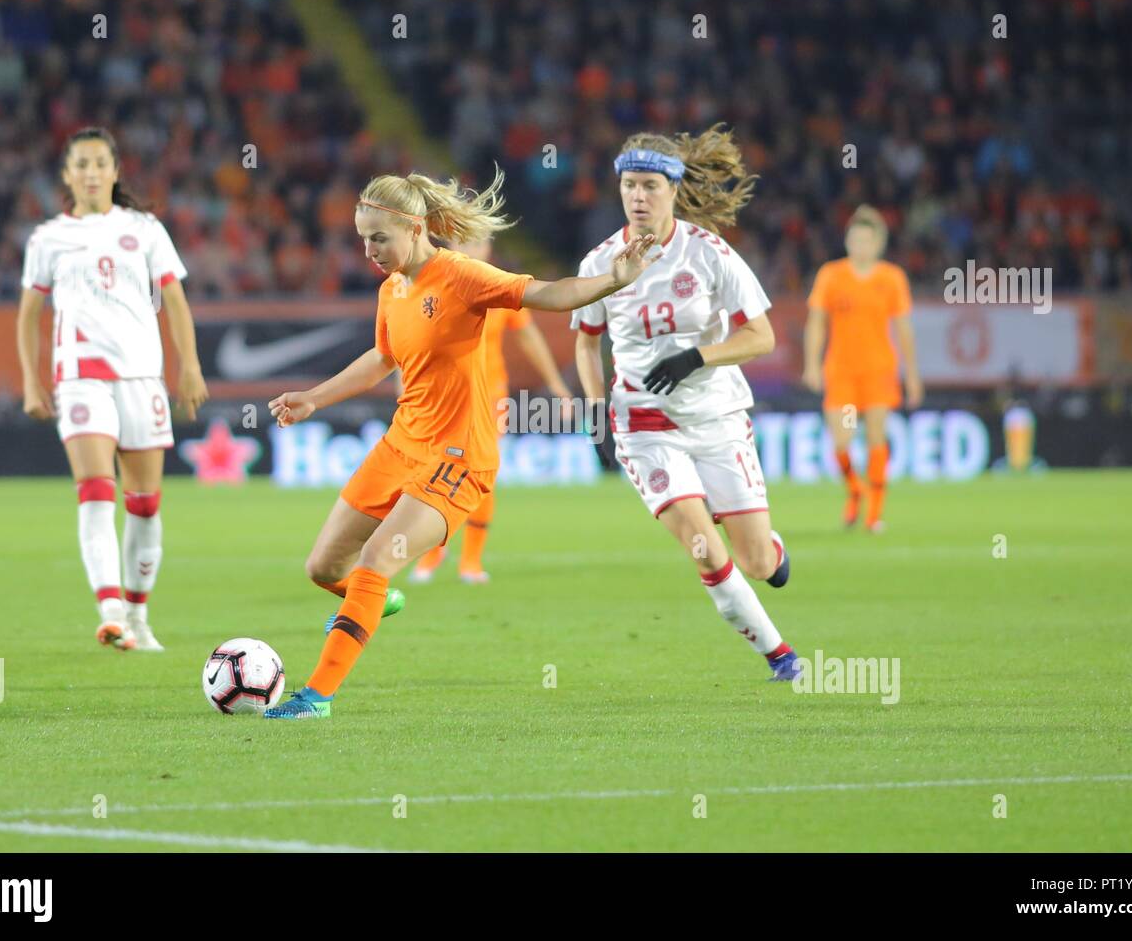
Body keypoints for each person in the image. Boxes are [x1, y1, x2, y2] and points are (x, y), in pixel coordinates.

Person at [264, 168, 657, 719]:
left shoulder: (462, 275)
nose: (371, 250)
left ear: (415, 226)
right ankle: (374, 601)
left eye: (379, 237)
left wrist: (615, 278)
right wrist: (313, 398)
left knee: (376, 559)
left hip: (458, 457)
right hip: (401, 444)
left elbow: (548, 293)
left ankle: (317, 697)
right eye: (363, 239)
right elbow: (382, 359)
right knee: (324, 569)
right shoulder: (391, 289)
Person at [571, 125, 800, 682]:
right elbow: (586, 339)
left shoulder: (710, 253)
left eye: (650, 185)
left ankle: (767, 549)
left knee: (756, 563)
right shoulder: (600, 262)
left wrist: (698, 357)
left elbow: (762, 336)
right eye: (629, 185)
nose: (638, 197)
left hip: (717, 418)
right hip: (645, 426)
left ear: (673, 188)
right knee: (703, 548)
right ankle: (782, 657)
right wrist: (595, 412)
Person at [16, 127, 208, 651]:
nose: (92, 172)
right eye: (81, 164)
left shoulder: (145, 229)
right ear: (67, 175)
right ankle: (110, 610)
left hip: (142, 376)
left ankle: (139, 617)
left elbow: (174, 301)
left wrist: (189, 364)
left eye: (101, 162)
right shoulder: (48, 237)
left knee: (144, 503)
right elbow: (29, 315)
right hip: (79, 378)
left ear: (116, 170)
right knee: (96, 492)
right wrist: (33, 381)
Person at [410, 236, 575, 584]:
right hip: (440, 396)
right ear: (451, 244)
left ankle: (470, 559)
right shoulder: (433, 287)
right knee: (429, 473)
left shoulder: (501, 288)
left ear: (488, 248)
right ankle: (433, 550)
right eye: (464, 241)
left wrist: (557, 385)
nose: (472, 249)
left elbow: (529, 337)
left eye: (479, 242)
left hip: (488, 397)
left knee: (478, 475)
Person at [802, 205, 923, 532]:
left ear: (878, 243)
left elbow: (904, 330)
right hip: (841, 372)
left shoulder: (891, 278)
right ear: (847, 241)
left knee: (875, 437)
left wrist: (911, 374)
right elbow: (816, 323)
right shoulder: (831, 275)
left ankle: (874, 514)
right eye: (855, 239)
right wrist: (811, 364)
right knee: (842, 442)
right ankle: (855, 488)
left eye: (867, 240)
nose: (860, 246)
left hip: (879, 372)